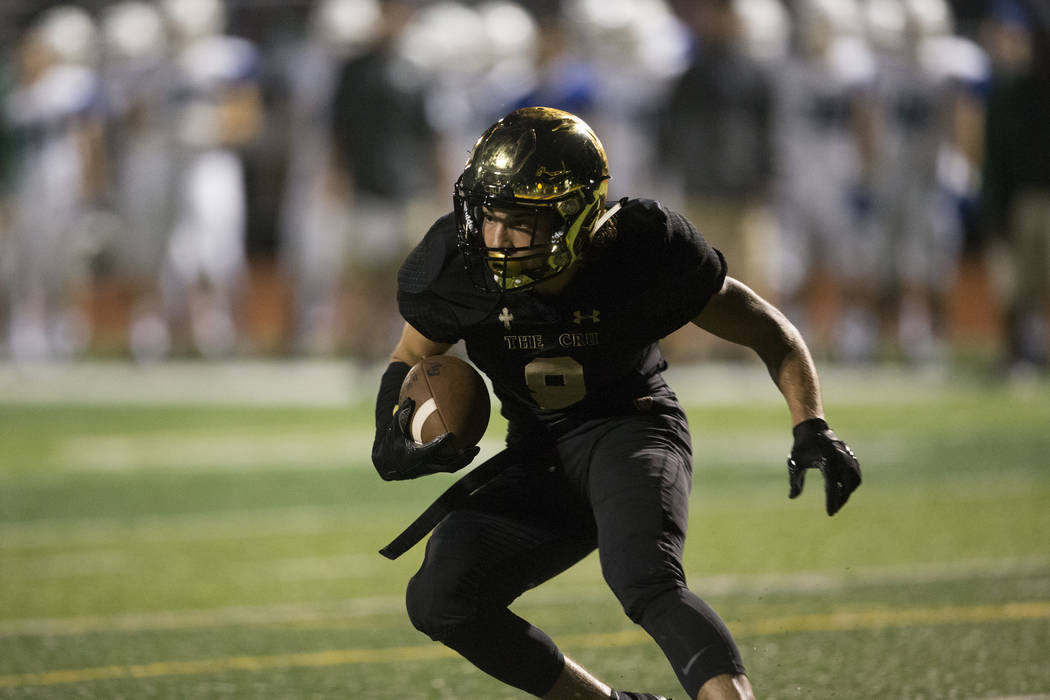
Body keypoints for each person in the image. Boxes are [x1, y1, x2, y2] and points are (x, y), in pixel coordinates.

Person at [370, 107, 861, 700]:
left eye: (520, 222)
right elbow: (411, 352)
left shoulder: (643, 248)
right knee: (440, 597)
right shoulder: (457, 260)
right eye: (489, 216)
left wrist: (811, 424)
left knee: (644, 578)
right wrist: (389, 433)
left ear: (576, 217)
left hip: (631, 428)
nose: (495, 239)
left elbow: (768, 331)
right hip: (537, 450)